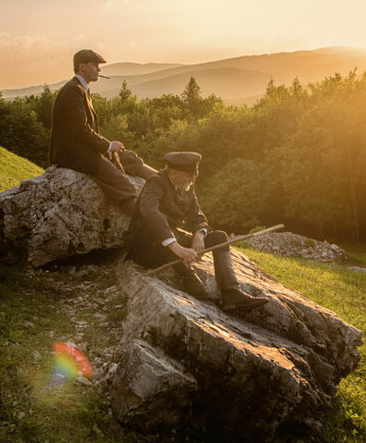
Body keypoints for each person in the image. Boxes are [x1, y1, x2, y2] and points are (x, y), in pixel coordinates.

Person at [127, 152, 268, 312]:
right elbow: (149, 212)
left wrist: (199, 235)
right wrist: (177, 247)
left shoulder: (187, 187)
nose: (193, 180)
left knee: (219, 237)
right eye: (189, 175)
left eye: (195, 175)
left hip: (170, 240)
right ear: (174, 173)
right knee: (159, 228)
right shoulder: (156, 183)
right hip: (146, 248)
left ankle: (232, 294)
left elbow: (197, 216)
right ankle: (188, 276)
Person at [49, 49, 156, 214]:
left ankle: (164, 181)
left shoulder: (81, 89)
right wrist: (107, 146)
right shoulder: (73, 90)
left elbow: (86, 129)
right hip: (74, 155)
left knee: (128, 158)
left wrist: (108, 147)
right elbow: (80, 129)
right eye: (95, 65)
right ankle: (146, 223)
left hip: (82, 150)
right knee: (124, 186)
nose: (99, 70)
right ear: (82, 67)